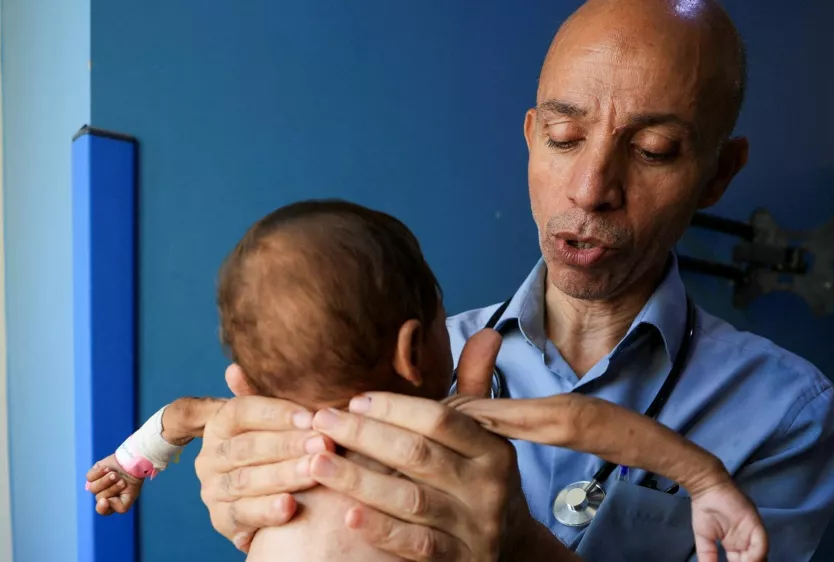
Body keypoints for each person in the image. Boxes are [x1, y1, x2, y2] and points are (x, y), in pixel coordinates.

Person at [192, 0, 834, 560]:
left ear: (719, 174)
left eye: (653, 151)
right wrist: (255, 492)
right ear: (532, 138)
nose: (591, 190)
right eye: (564, 137)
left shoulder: (787, 414)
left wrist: (521, 546)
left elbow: (575, 425)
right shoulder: (405, 362)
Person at [85, 199, 767, 560]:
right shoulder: (447, 422)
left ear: (248, 376)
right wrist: (706, 479)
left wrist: (132, 462)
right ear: (417, 350)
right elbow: (584, 422)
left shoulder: (249, 419)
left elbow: (178, 416)